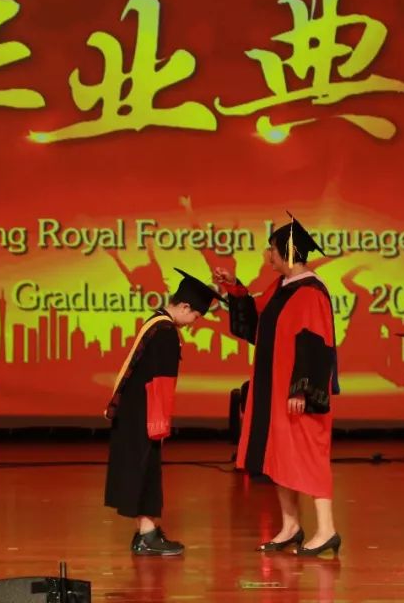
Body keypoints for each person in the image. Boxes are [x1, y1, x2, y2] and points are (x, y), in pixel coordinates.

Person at [213, 214, 340, 557]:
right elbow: (257, 317)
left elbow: (316, 344)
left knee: (309, 455)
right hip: (273, 389)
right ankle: (291, 526)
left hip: (296, 393)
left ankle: (326, 530)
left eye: (271, 249)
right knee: (279, 455)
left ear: (287, 251)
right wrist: (234, 288)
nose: (267, 255)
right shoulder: (282, 287)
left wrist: (301, 390)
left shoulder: (311, 292)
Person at [104, 268, 224, 556]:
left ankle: (146, 532)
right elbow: (161, 382)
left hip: (136, 409)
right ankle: (147, 535)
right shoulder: (166, 333)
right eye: (196, 316)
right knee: (145, 471)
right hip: (145, 412)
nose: (194, 323)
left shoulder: (155, 323)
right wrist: (160, 422)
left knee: (144, 469)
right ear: (185, 306)